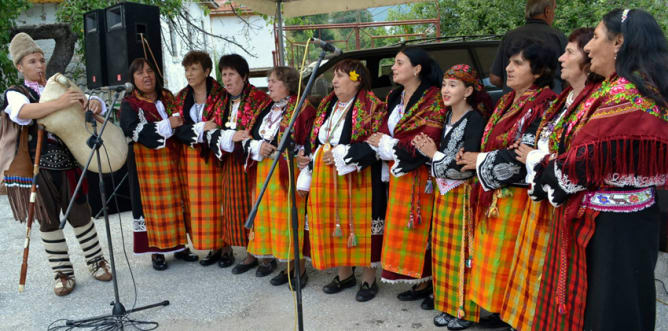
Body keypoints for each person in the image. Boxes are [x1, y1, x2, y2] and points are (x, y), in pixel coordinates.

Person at [529, 9, 668, 331]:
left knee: (611, 310)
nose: (588, 47)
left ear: (618, 42)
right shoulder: (616, 89)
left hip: (615, 230)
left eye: (595, 37)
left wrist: (546, 166)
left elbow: (579, 163)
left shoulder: (628, 94)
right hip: (619, 223)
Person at [502, 28, 603, 331]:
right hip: (544, 202)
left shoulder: (596, 101)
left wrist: (536, 157)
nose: (561, 56)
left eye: (570, 51)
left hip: (566, 205)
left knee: (558, 282)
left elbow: (578, 158)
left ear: (589, 59)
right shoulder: (565, 99)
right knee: (537, 277)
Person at [457, 38, 557, 325]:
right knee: (492, 257)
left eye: (518, 63)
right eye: (509, 62)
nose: (508, 68)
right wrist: (473, 156)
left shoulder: (543, 104)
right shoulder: (507, 99)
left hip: (517, 196)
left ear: (537, 72)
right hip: (495, 194)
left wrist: (480, 160)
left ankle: (509, 315)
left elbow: (525, 150)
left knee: (509, 258)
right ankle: (500, 311)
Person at [2, 32, 111, 296]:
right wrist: (60, 103)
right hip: (37, 166)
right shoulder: (16, 93)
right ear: (20, 66)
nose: (39, 65)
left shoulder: (58, 85)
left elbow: (91, 102)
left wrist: (94, 103)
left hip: (69, 160)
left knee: (81, 214)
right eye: (32, 61)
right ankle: (62, 273)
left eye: (41, 60)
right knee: (48, 220)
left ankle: (96, 262)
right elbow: (23, 113)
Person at [297, 59, 386, 300]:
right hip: (327, 178)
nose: (334, 81)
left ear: (357, 80)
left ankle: (368, 279)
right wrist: (308, 154)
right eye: (334, 76)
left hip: (359, 178)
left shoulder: (373, 107)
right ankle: (345, 274)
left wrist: (341, 155)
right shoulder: (328, 105)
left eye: (340, 76)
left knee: (360, 226)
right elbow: (315, 137)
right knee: (336, 225)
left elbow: (375, 144)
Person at [412, 64, 492, 329]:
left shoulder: (474, 120)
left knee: (463, 253)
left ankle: (464, 309)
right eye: (445, 84)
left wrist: (433, 155)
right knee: (442, 251)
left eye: (453, 85)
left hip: (463, 195)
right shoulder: (445, 119)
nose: (446, 90)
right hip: (443, 194)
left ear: (468, 90)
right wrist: (430, 154)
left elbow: (465, 166)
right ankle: (447, 305)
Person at [366, 47, 445, 308]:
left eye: (399, 63)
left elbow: (428, 137)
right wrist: (382, 141)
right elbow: (382, 128)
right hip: (396, 171)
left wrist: (391, 144)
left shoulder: (433, 98)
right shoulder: (394, 96)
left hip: (420, 172)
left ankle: (432, 283)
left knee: (423, 227)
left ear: (417, 68)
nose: (393, 67)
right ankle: (420, 280)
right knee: (407, 228)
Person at [243, 66, 316, 285]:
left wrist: (281, 150)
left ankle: (299, 269)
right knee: (274, 222)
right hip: (266, 172)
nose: (269, 85)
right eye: (269, 80)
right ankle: (286, 266)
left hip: (288, 173)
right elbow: (250, 135)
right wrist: (258, 146)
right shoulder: (267, 108)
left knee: (290, 220)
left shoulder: (302, 109)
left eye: (274, 81)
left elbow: (309, 141)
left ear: (289, 84)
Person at [120, 58, 190, 270]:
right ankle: (156, 251)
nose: (146, 76)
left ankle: (179, 246)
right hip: (146, 164)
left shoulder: (167, 96)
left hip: (172, 160)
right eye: (140, 73)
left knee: (176, 202)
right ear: (133, 79)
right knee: (152, 208)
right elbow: (133, 130)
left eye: (149, 71)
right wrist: (167, 124)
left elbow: (181, 118)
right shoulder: (129, 103)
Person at [207, 54, 272, 274]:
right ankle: (251, 253)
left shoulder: (258, 99)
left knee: (258, 208)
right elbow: (211, 127)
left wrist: (239, 137)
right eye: (224, 74)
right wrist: (229, 136)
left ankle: (266, 257)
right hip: (231, 163)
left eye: (231, 74)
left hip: (254, 162)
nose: (227, 79)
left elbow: (258, 130)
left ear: (244, 76)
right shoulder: (221, 100)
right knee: (239, 209)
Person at [173, 50, 228, 266]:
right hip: (191, 158)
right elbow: (177, 129)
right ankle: (211, 246)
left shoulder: (221, 95)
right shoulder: (181, 97)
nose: (189, 73)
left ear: (206, 71)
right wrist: (199, 127)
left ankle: (225, 247)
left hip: (215, 156)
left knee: (219, 203)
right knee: (198, 205)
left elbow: (223, 122)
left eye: (194, 68)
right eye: (186, 69)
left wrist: (197, 130)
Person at [489, 0, 566, 92]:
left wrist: (513, 87)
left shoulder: (509, 36)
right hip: (551, 101)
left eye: (517, 63)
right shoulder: (559, 37)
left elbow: (495, 79)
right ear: (547, 11)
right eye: (554, 10)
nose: (508, 68)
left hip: (513, 103)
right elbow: (570, 78)